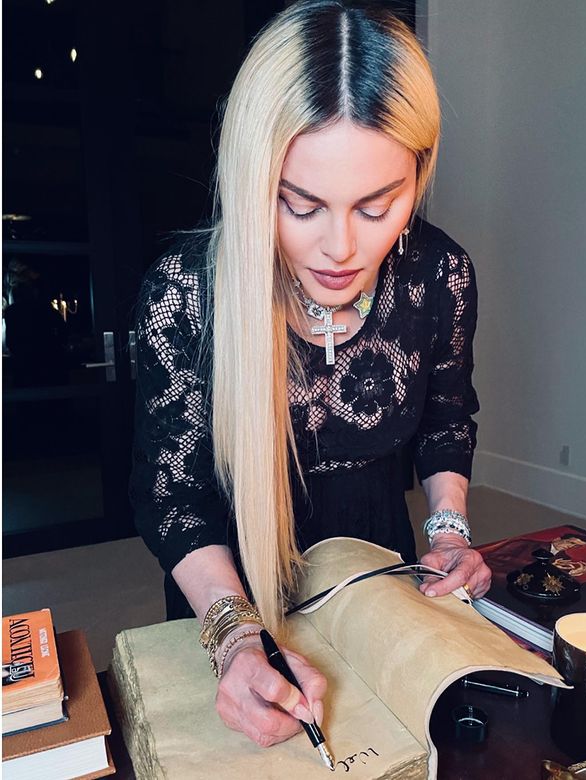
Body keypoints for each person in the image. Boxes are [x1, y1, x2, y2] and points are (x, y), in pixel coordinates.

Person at [131, 0, 491, 749]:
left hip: (379, 575)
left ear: (419, 171)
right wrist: (234, 637)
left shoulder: (439, 275)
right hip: (227, 587)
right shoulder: (185, 292)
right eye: (300, 206)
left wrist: (450, 529)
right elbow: (173, 494)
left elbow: (446, 421)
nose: (340, 248)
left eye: (376, 206)